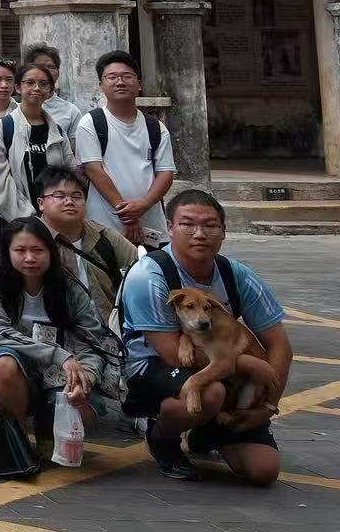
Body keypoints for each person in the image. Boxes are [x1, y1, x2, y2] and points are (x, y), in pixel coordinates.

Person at [119, 190, 292, 485]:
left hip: (221, 368)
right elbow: (172, 353)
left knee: (264, 471)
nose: (199, 234)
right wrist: (245, 364)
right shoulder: (148, 276)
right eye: (188, 224)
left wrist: (267, 407)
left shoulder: (237, 275)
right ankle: (161, 436)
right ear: (170, 228)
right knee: (211, 393)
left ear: (224, 231)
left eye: (210, 225)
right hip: (154, 365)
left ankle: (207, 431)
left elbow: (280, 346)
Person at [0, 217, 114, 461]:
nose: (30, 258)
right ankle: (17, 436)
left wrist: (86, 379)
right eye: (20, 250)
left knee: (85, 411)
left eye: (38, 250)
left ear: (51, 252)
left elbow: (91, 341)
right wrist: (59, 355)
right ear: (6, 252)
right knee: (4, 364)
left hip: (59, 375)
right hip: (19, 368)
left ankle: (46, 431)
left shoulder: (68, 287)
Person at [75, 51, 176, 245]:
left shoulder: (155, 127)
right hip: (104, 223)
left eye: (127, 76)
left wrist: (144, 205)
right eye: (112, 77)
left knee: (149, 264)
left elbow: (165, 173)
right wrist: (127, 215)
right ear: (101, 85)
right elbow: (93, 170)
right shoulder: (91, 123)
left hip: (150, 223)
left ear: (139, 84)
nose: (120, 82)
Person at [33, 165, 140, 342]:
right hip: (52, 339)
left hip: (110, 335)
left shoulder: (105, 237)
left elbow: (141, 271)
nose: (69, 201)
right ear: (41, 203)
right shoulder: (29, 240)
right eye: (59, 196)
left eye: (77, 196)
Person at [0, 61, 79, 222]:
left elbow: (70, 174)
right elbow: (0, 182)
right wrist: (29, 219)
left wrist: (57, 214)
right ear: (18, 87)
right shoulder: (1, 129)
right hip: (18, 221)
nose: (37, 88)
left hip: (56, 218)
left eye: (43, 84)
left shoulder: (58, 132)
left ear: (50, 90)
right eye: (29, 82)